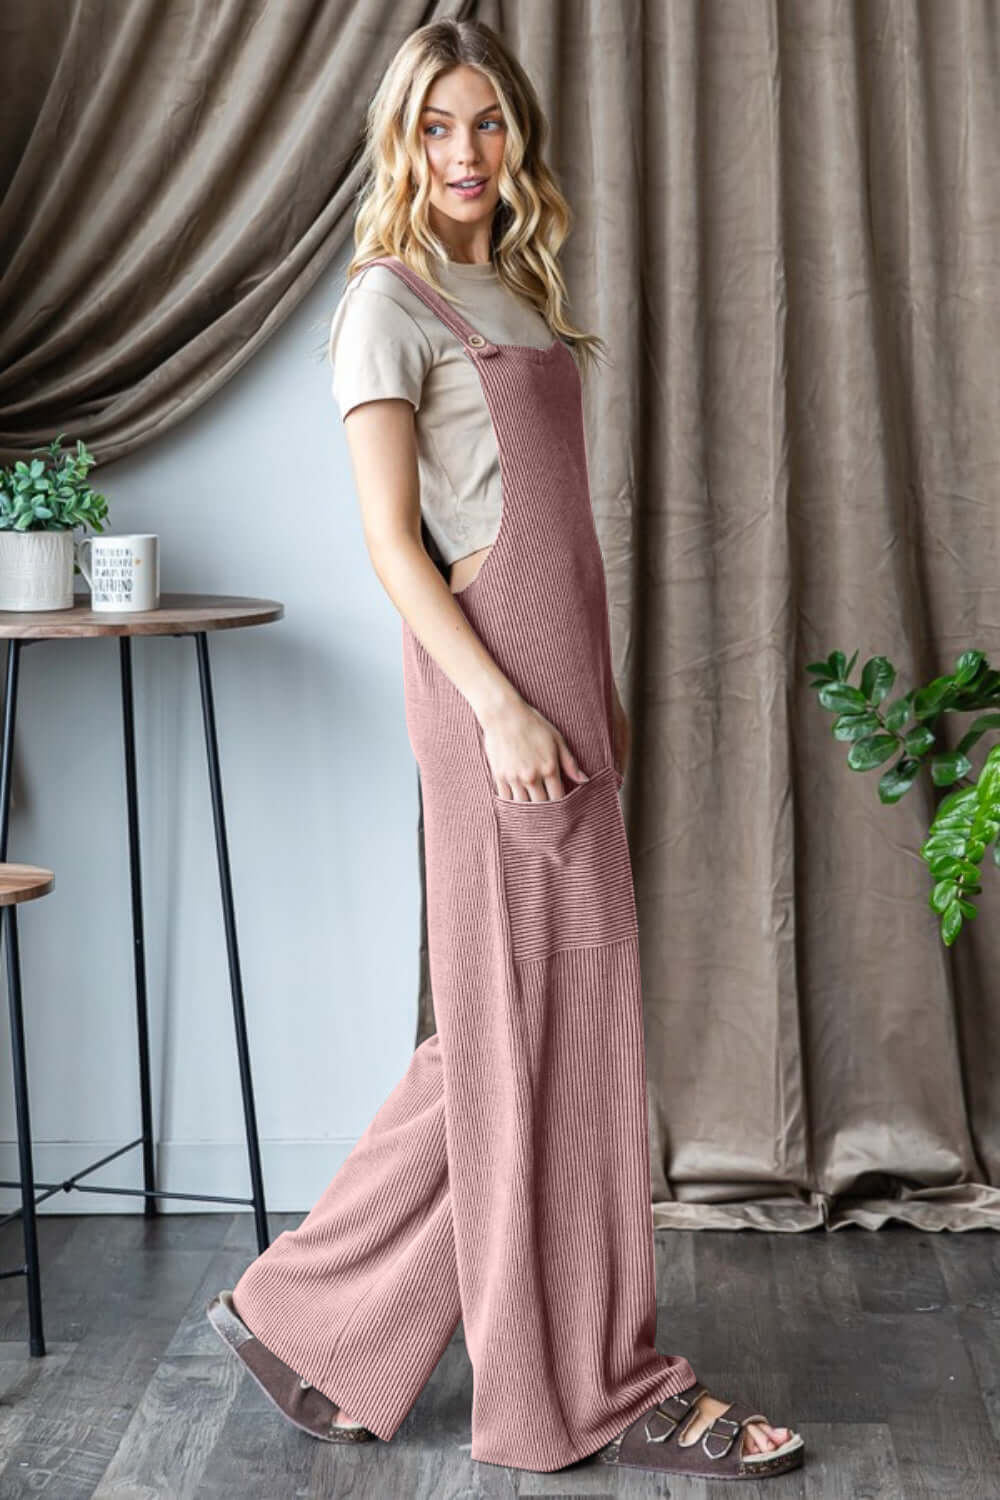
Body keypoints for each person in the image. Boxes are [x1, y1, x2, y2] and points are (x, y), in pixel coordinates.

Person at [207, 18, 805, 1481]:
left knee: (526, 1024)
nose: (465, 154)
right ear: (399, 140)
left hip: (559, 687)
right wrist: (502, 709)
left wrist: (562, 697)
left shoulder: (512, 282)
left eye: (487, 125)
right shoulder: (385, 305)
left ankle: (305, 1315)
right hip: (494, 701)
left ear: (516, 134)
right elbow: (392, 547)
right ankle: (592, 1385)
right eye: (437, 129)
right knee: (537, 1028)